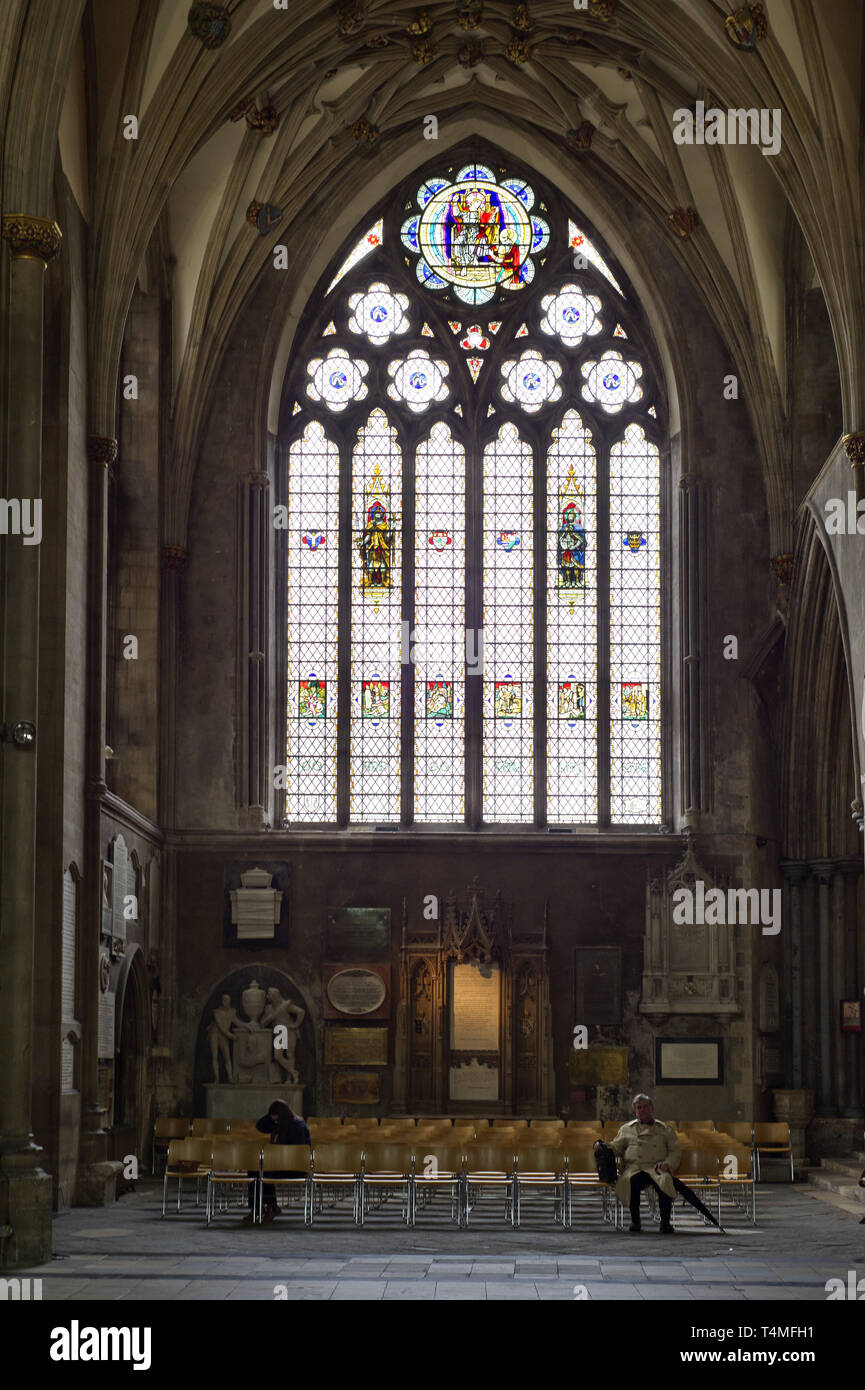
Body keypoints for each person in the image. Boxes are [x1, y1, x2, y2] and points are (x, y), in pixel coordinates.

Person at [594, 1093, 681, 1234]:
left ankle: (665, 1222)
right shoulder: (626, 1129)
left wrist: (667, 1164)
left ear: (651, 1108)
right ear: (635, 1111)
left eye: (645, 1107)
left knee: (665, 1180)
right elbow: (615, 1147)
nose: (642, 1110)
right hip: (635, 1168)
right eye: (638, 1107)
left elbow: (675, 1151)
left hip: (656, 1167)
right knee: (629, 1180)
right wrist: (602, 1145)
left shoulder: (665, 1129)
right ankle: (636, 1221)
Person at [244, 1100, 311, 1224]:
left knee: (265, 1172)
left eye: (276, 1118)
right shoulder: (280, 1123)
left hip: (295, 1168)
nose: (274, 1121)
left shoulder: (297, 1125)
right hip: (280, 1164)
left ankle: (271, 1208)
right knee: (253, 1170)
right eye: (273, 1119)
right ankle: (257, 1209)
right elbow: (260, 1125)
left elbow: (297, 1152)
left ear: (283, 1115)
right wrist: (271, 1115)